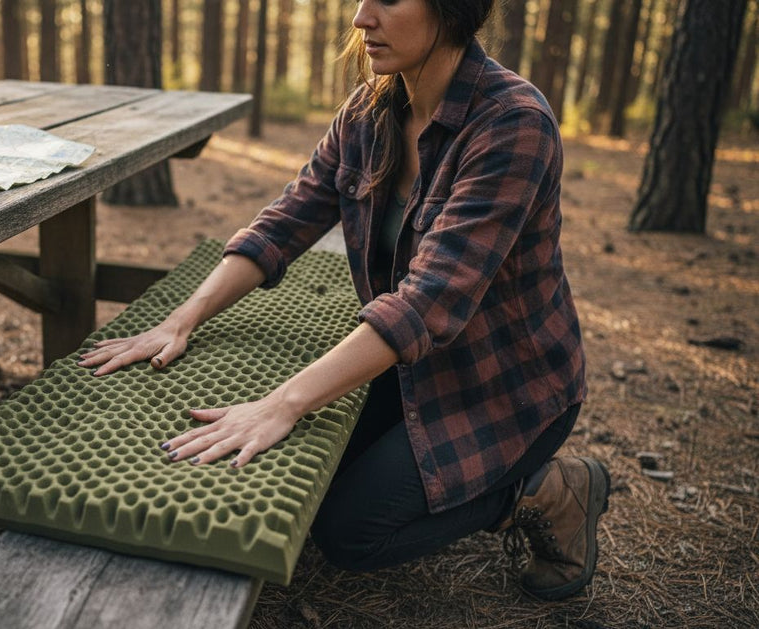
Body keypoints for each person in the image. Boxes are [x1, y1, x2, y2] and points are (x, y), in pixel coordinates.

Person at [77, 0, 609, 601]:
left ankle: (546, 488)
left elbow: (428, 302)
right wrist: (181, 319)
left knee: (351, 533)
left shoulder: (513, 124)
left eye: (387, 0)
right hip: (405, 362)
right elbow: (284, 222)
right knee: (303, 484)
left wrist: (281, 404)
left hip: (502, 389)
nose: (360, 19)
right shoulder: (369, 109)